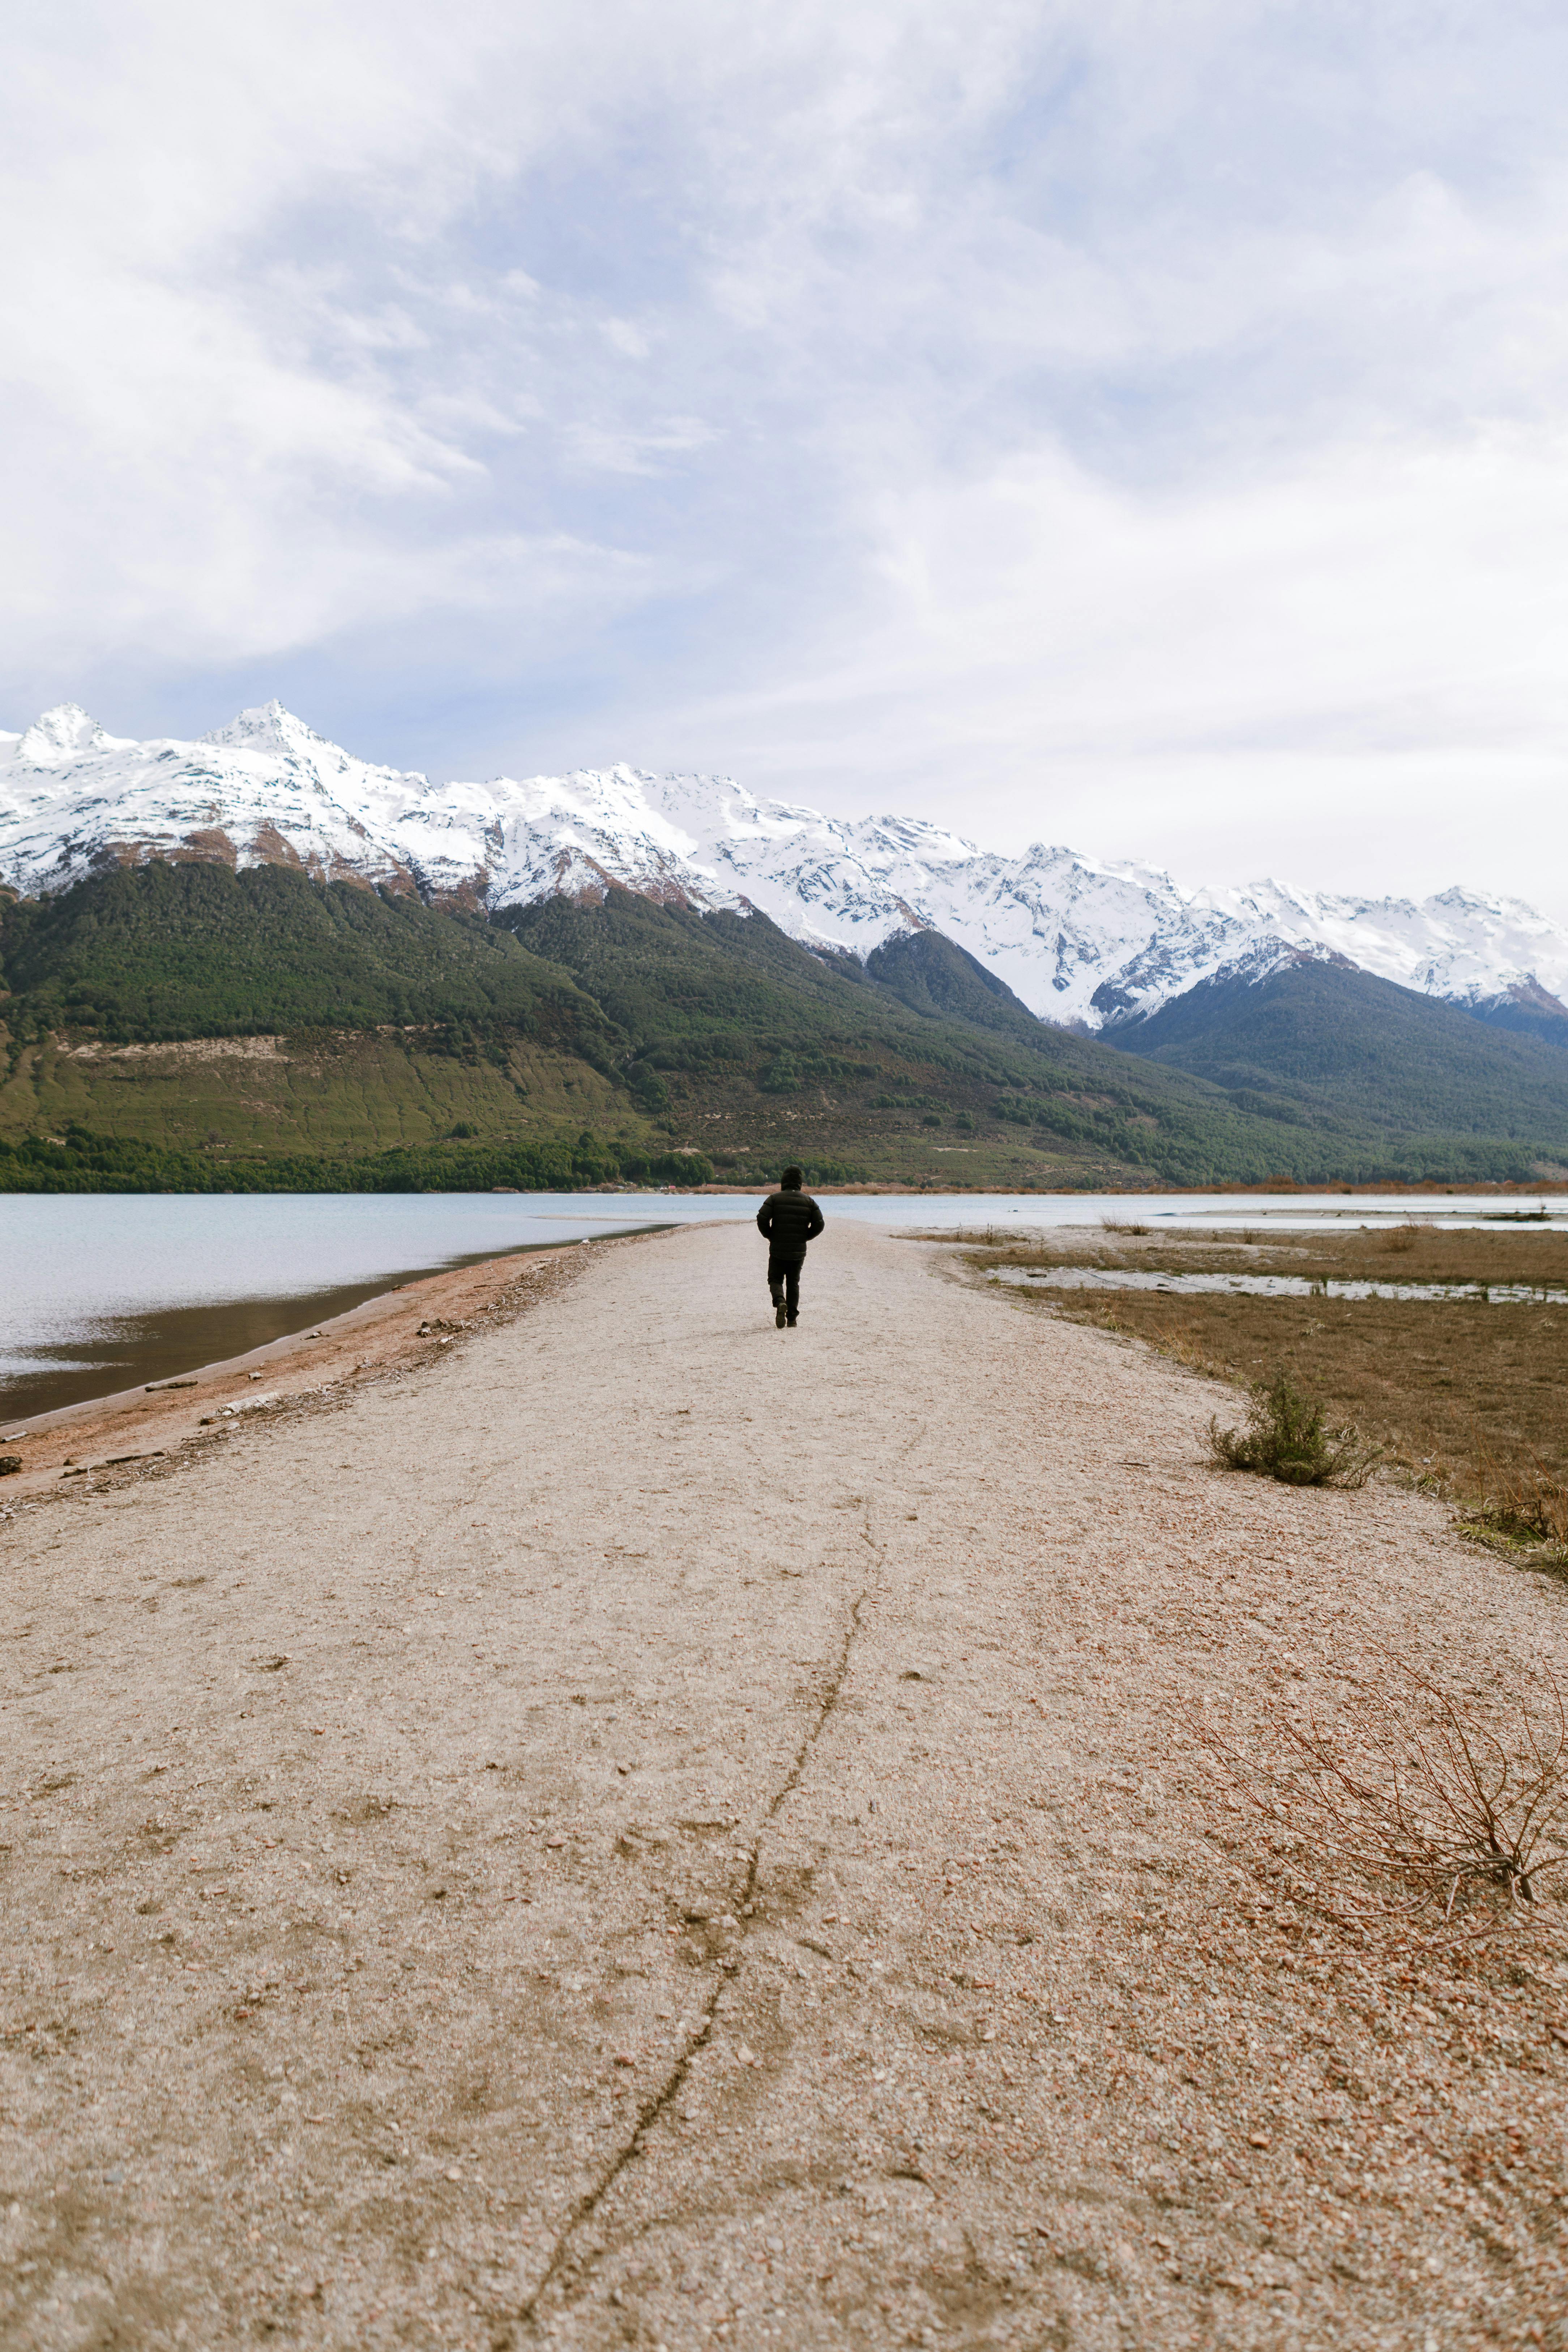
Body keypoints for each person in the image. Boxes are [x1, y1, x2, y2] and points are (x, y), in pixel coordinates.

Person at [755, 1166, 824, 1329]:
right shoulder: (809, 1201)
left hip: (778, 1249)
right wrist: (805, 1237)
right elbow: (820, 1224)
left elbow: (761, 1218)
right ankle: (792, 1319)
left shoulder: (774, 1198)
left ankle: (780, 1302)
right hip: (798, 1251)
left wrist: (770, 1235)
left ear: (783, 1181)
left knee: (775, 1279)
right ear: (800, 1183)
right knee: (793, 1283)